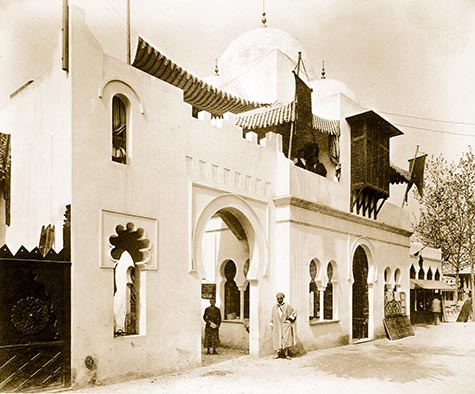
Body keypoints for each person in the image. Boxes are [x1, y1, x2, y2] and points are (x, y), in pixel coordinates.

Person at [270, 292, 297, 359]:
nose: (279, 300)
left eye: (281, 298)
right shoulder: (274, 307)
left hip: (285, 326)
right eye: (278, 298)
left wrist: (289, 319)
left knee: (286, 339)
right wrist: (271, 322)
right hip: (277, 325)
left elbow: (294, 312)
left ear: (283, 298)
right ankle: (277, 353)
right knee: (277, 338)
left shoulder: (287, 306)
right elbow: (272, 316)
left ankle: (286, 354)